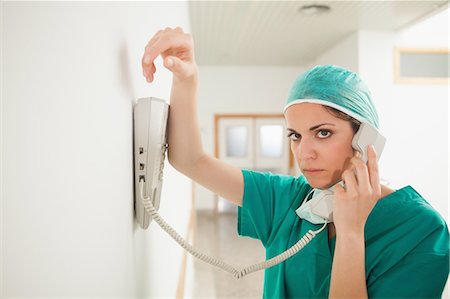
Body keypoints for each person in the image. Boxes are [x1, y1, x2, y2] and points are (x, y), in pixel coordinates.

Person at [141, 27, 449, 298]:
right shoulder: (289, 199)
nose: (304, 153)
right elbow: (191, 161)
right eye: (296, 135)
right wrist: (187, 78)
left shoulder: (421, 231)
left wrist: (351, 233)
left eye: (323, 133)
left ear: (366, 139)